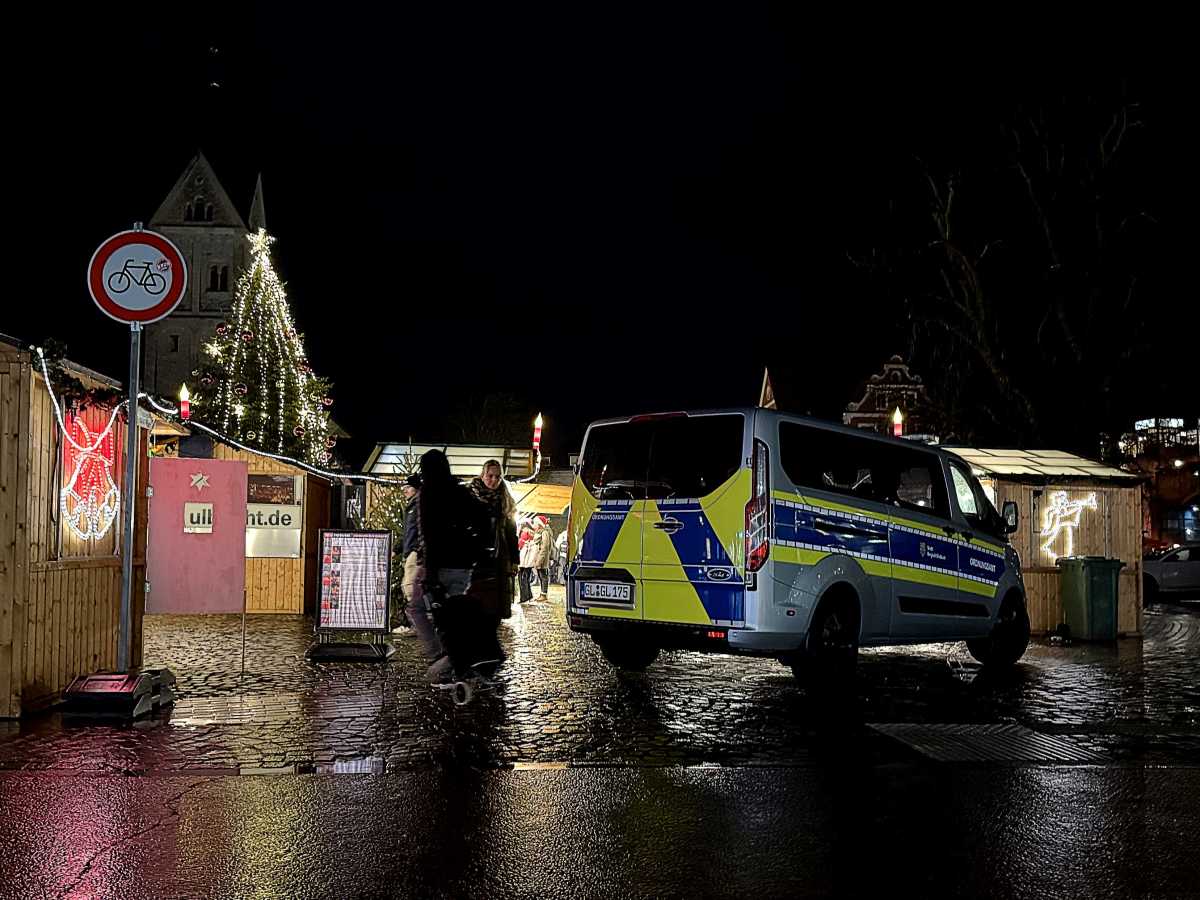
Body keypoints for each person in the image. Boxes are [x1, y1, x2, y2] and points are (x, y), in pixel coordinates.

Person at [416, 449, 498, 682]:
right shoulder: (458, 490)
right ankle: (458, 662)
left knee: (421, 608)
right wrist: (475, 547)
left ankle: (445, 659)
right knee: (455, 615)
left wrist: (430, 574)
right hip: (462, 567)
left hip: (440, 567)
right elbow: (483, 516)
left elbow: (430, 537)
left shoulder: (429, 493)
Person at [398, 473, 446, 668]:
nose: (404, 490)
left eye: (407, 487)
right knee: (413, 594)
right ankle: (430, 626)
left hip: (416, 556)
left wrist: (416, 550)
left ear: (415, 488)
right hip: (412, 554)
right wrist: (399, 548)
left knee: (412, 594)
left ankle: (434, 639)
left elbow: (421, 530)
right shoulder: (414, 504)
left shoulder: (419, 504)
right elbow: (410, 531)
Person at [466, 460, 519, 621]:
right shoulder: (469, 495)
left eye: (498, 477)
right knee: (475, 606)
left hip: (499, 559)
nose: (494, 480)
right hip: (474, 559)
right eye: (490, 476)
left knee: (494, 610)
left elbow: (511, 533)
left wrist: (515, 560)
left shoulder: (505, 499)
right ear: (483, 475)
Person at [530, 515, 554, 601]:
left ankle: (544, 594)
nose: (534, 525)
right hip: (539, 557)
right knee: (541, 575)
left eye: (535, 523)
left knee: (543, 576)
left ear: (539, 524)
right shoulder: (539, 532)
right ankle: (542, 594)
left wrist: (539, 560)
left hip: (542, 558)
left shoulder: (544, 533)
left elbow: (545, 547)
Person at [517, 520, 536, 603]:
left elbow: (519, 545)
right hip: (529, 561)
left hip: (524, 560)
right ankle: (528, 595)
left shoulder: (524, 533)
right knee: (526, 578)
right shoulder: (532, 533)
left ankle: (524, 597)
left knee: (522, 579)